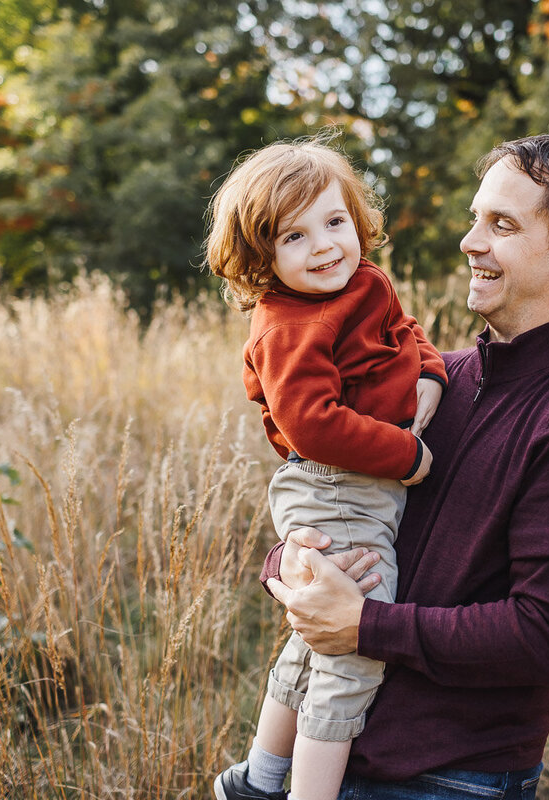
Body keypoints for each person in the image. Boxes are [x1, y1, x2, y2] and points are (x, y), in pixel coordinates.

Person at [261, 132, 549, 800]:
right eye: (475, 218)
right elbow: (336, 501)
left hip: (450, 779)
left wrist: (364, 625)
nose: (470, 241)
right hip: (337, 760)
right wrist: (291, 570)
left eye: (502, 225)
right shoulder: (435, 382)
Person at [205, 136, 449, 800]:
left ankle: (257, 782)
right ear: (262, 257)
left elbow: (407, 329)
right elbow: (312, 421)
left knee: (319, 635)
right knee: (354, 649)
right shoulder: (285, 325)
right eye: (295, 236)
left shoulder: (364, 281)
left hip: (361, 488)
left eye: (335, 222)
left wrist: (428, 370)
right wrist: (409, 457)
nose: (324, 247)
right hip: (336, 486)